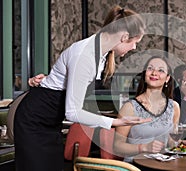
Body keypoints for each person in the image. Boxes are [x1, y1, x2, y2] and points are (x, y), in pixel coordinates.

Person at [14, 6, 150, 171]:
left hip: (51, 123)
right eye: (135, 42)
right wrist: (116, 122)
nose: (134, 47)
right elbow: (73, 112)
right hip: (34, 122)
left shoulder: (102, 53)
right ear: (124, 37)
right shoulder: (85, 55)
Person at [113, 56, 180, 162]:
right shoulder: (129, 107)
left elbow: (171, 142)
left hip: (164, 165)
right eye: (150, 68)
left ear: (167, 78)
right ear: (144, 74)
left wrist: (180, 144)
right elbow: (117, 146)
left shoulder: (174, 107)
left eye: (161, 70)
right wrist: (143, 147)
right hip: (136, 166)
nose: (154, 73)